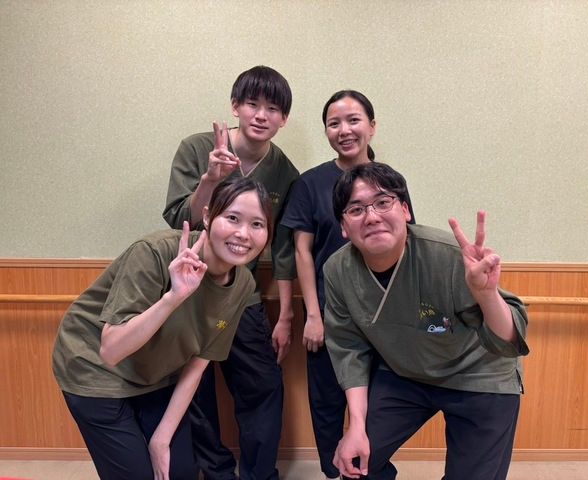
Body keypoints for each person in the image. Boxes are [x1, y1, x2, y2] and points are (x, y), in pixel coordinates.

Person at [52, 177, 273, 480]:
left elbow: (199, 363)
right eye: (232, 218)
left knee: (179, 471)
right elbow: (111, 349)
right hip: (94, 367)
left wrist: (161, 439)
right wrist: (173, 297)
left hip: (155, 374)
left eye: (257, 224)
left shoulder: (243, 283)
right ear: (208, 216)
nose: (243, 234)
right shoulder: (154, 252)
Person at [323, 162, 530, 480]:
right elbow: (348, 350)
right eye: (356, 209)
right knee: (357, 463)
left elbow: (507, 341)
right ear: (343, 226)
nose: (372, 216)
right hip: (404, 373)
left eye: (383, 202)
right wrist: (357, 427)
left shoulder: (448, 255)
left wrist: (487, 294)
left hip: (479, 373)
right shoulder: (338, 271)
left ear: (405, 210)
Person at [163, 65, 298, 480]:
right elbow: (178, 218)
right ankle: (217, 472)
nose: (261, 115)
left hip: (243, 294)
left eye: (272, 108)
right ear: (235, 106)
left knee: (264, 385)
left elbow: (284, 248)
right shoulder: (198, 148)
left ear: (283, 119)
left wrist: (287, 315)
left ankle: (259, 474)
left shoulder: (285, 173)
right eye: (252, 104)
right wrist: (210, 178)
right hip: (188, 289)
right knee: (194, 392)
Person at [280, 90, 413, 480]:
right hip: (329, 311)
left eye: (354, 120)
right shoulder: (309, 184)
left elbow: (406, 242)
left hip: (381, 315)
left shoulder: (390, 181)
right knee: (326, 403)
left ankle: (371, 470)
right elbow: (302, 251)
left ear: (372, 126)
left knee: (378, 403)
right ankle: (333, 472)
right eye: (334, 123)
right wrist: (312, 315)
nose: (344, 130)